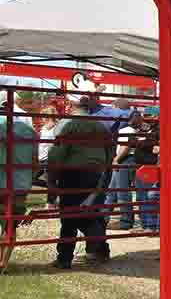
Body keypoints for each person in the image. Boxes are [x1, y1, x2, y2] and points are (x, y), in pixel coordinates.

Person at [46, 95, 114, 268]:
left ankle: (65, 258)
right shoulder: (102, 126)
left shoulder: (68, 125)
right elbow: (110, 151)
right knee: (91, 211)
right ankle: (100, 249)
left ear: (71, 106)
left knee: (69, 217)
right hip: (96, 174)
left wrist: (52, 180)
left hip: (73, 174)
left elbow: (56, 154)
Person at [0, 101, 38, 271]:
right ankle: (4, 263)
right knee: (10, 225)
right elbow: (35, 162)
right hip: (20, 184)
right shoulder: (29, 131)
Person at [109, 110, 144, 229]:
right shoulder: (133, 131)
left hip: (124, 160)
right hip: (126, 159)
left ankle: (126, 221)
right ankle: (104, 218)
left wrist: (116, 159)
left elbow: (126, 146)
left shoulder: (126, 130)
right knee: (113, 191)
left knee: (122, 191)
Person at [131, 109, 160, 232]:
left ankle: (151, 225)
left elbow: (153, 145)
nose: (145, 118)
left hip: (151, 167)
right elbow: (131, 141)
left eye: (148, 115)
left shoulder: (159, 130)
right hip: (140, 166)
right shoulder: (145, 129)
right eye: (144, 116)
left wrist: (140, 143)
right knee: (141, 196)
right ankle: (145, 224)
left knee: (149, 196)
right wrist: (143, 143)